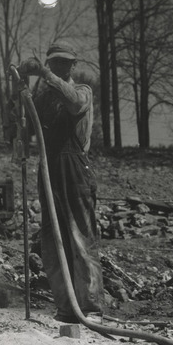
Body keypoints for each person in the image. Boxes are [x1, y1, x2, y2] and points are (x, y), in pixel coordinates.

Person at [18, 42, 104, 323]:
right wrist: (20, 89)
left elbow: (74, 103)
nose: (58, 67)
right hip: (49, 169)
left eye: (63, 63)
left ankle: (90, 309)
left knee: (81, 239)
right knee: (53, 242)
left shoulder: (82, 92)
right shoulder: (43, 99)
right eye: (53, 62)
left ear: (72, 66)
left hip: (75, 169)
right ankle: (66, 307)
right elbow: (24, 127)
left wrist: (44, 74)